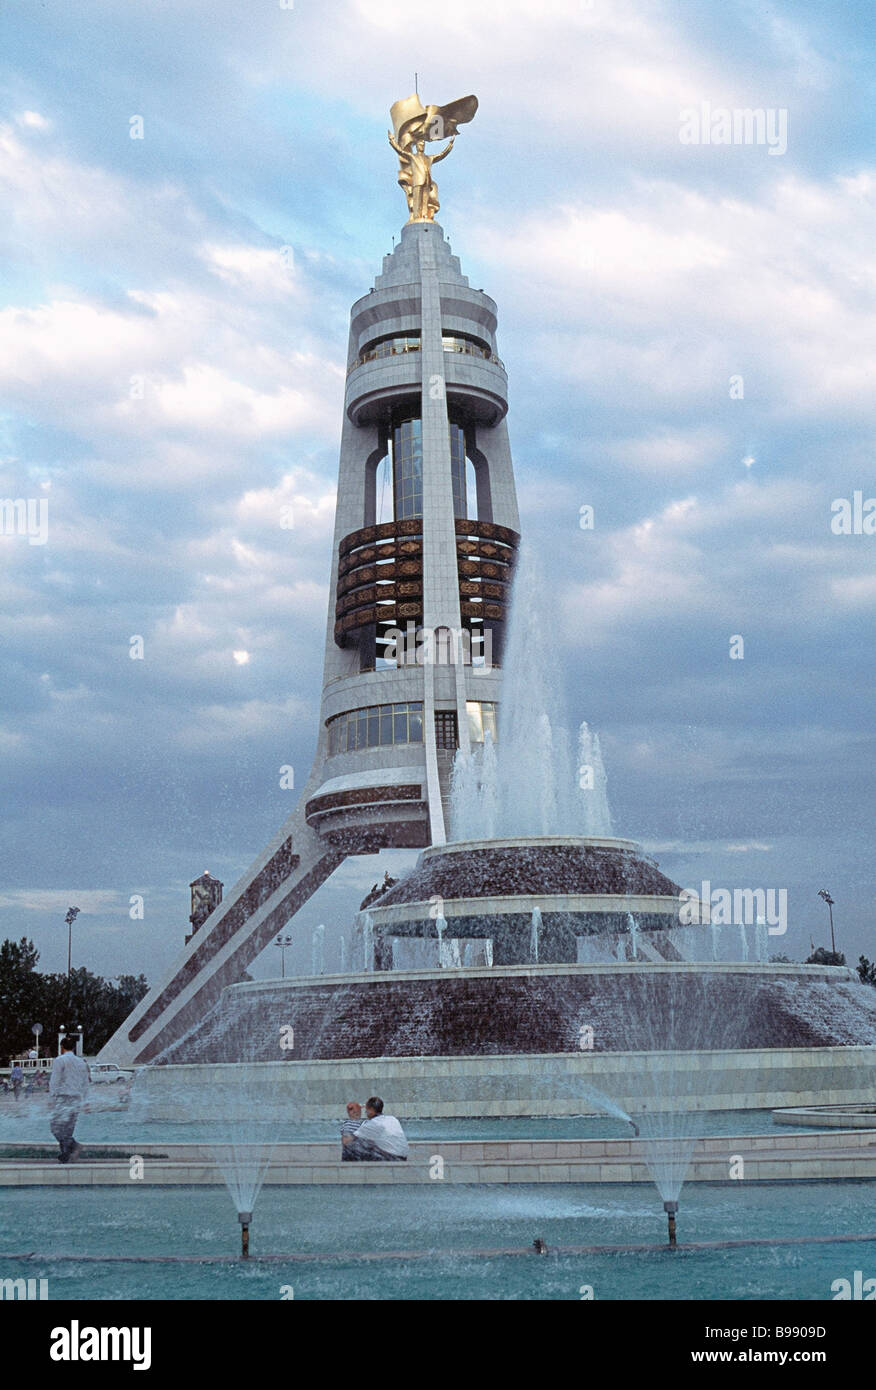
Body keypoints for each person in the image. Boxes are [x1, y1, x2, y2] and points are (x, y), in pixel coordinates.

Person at [48, 1038, 90, 1163]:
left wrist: (51, 1097)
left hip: (63, 1097)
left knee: (55, 1127)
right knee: (67, 1128)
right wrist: (86, 1100)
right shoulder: (81, 1062)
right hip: (76, 1098)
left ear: (61, 1047)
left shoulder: (60, 1060)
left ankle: (74, 1147)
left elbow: (55, 1080)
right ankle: (66, 1155)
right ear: (73, 1047)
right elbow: (85, 1082)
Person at [341, 1097, 408, 1162]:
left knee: (350, 1147)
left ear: (371, 1110)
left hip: (393, 1159)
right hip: (403, 1157)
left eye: (366, 1110)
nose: (365, 1112)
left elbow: (346, 1141)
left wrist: (353, 1119)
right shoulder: (392, 1119)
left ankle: (346, 1171)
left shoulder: (372, 1124)